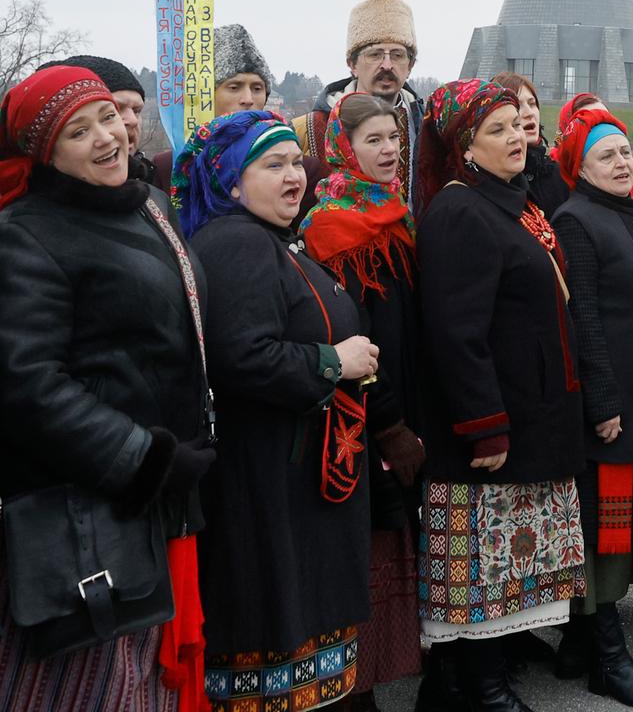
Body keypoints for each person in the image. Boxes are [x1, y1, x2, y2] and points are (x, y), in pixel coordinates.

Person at [0, 66, 213, 712]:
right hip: (89, 508)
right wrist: (144, 459)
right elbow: (27, 384)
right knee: (83, 688)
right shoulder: (25, 236)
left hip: (161, 495)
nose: (107, 137)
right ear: (47, 154)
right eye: (77, 131)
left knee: (143, 682)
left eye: (106, 118)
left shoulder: (148, 205)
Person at [173, 111, 377, 711]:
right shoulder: (236, 243)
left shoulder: (267, 238)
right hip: (266, 478)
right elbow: (243, 358)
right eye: (273, 165)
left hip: (293, 473)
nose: (295, 176)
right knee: (273, 622)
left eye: (297, 162)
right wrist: (332, 362)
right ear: (231, 182)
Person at [414, 80, 585, 712]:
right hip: (494, 423)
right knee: (480, 570)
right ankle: (479, 687)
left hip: (533, 407)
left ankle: (469, 682)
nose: (516, 137)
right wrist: (483, 424)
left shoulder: (512, 201)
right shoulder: (460, 212)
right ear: (466, 146)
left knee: (504, 566)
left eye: (518, 124)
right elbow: (457, 334)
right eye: (498, 130)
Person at [551, 106, 633, 708]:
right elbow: (583, 318)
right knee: (604, 533)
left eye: (625, 152)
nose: (622, 161)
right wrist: (602, 401)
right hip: (615, 404)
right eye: (606, 155)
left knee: (624, 525)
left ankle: (582, 646)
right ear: (580, 164)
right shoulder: (575, 219)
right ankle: (606, 660)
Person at [300, 93, 424, 705]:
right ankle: (352, 689)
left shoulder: (392, 212)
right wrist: (389, 422)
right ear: (342, 149)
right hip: (364, 418)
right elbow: (354, 335)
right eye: (373, 140)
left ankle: (376, 674)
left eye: (394, 139)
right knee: (365, 554)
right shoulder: (333, 227)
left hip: (399, 400)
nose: (388, 151)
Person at [293, 0, 423, 203]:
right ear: (352, 64)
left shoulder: (427, 126)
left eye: (397, 55)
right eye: (375, 54)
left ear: (410, 66)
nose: (387, 65)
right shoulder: (305, 130)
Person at [151, 23, 280, 191]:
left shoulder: (290, 165)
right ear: (206, 95)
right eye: (234, 87)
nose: (248, 99)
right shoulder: (169, 168)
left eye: (257, 88)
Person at [40, 54, 153, 181]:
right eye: (114, 111)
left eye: (137, 111)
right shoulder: (34, 200)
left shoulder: (158, 189)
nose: (133, 120)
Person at [493, 71, 568, 217]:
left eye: (532, 103)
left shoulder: (556, 174)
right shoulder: (496, 179)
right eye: (518, 106)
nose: (529, 113)